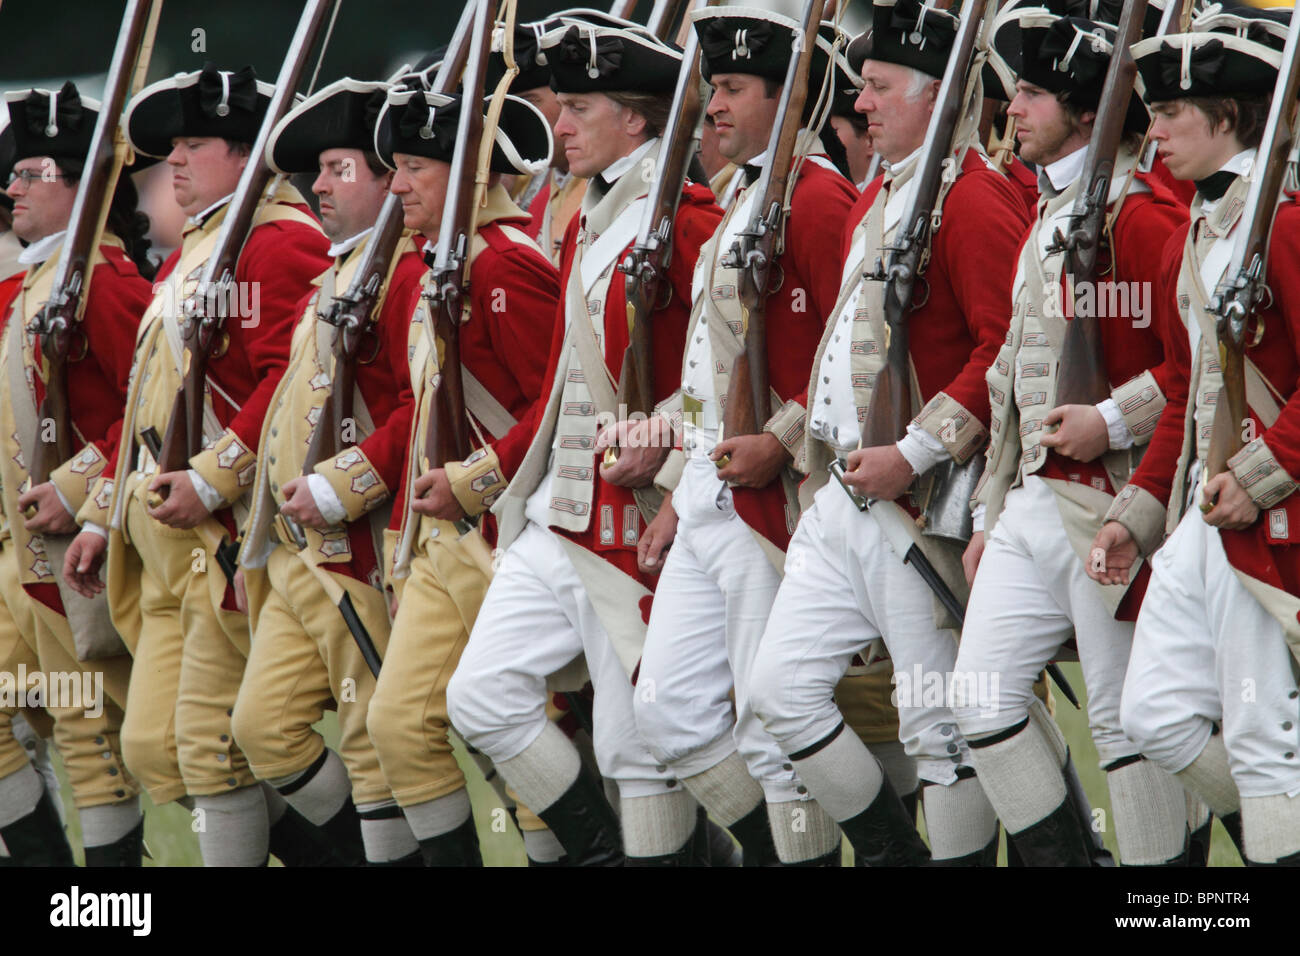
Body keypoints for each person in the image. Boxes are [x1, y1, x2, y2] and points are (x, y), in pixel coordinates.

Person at [445, 18, 723, 865]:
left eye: (578, 108)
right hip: (560, 508)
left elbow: (730, 364)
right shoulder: (590, 213)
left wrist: (669, 455)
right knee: (481, 697)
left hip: (632, 510)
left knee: (638, 742)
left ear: (636, 121)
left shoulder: (687, 215)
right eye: (560, 108)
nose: (557, 126)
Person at [62, 63, 333, 867]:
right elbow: (147, 413)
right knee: (154, 748)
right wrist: (102, 509)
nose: (173, 161)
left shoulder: (277, 243)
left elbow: (289, 387)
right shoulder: (202, 252)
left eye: (195, 143)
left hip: (227, 533)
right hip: (166, 540)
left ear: (248, 154)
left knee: (226, 747)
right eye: (172, 145)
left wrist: (216, 478)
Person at [616, 8, 859, 865]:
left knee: (772, 734)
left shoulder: (822, 199)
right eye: (713, 89)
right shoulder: (744, 202)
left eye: (732, 89)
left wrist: (783, 438)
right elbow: (703, 386)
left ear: (789, 101)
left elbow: (848, 352)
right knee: (668, 718)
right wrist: (679, 486)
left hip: (771, 497)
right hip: (712, 493)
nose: (712, 106)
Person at [950, 6, 1192, 866]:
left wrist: (1111, 418)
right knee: (978, 705)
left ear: (1087, 113)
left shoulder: (1144, 216)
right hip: (1027, 506)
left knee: (1131, 729)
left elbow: (1193, 367)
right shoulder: (1051, 214)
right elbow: (1008, 381)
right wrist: (985, 517)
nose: (1012, 110)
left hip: (1109, 505)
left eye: (1034, 95)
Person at [1091, 12, 1300, 865]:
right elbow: (1185, 390)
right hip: (1202, 516)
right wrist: (1138, 514)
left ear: (1229, 118)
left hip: (1266, 518)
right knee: (1153, 716)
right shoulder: (1196, 230)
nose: (1156, 128)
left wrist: (1259, 474)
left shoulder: (1282, 223)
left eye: (1175, 110)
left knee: (1261, 740)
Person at [364, 81, 564, 865]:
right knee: (396, 724)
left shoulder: (509, 267)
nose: (397, 183)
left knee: (523, 725)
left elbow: (555, 408)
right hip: (446, 541)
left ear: (473, 174)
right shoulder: (441, 269)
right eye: (396, 164)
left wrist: (477, 481)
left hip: (505, 536)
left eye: (417, 164)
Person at [229, 77, 425, 865]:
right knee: (261, 729)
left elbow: (425, 407)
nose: (320, 185)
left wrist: (340, 487)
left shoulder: (404, 273)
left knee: (376, 739)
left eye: (341, 168)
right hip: (295, 549)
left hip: (360, 544)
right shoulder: (337, 277)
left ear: (386, 179)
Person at [0, 83, 152, 865]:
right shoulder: (40, 282)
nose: (12, 189)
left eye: (30, 174)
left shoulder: (106, 282)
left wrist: (76, 486)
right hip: (28, 560)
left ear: (82, 184)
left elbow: (152, 413)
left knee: (146, 745)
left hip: (84, 551)